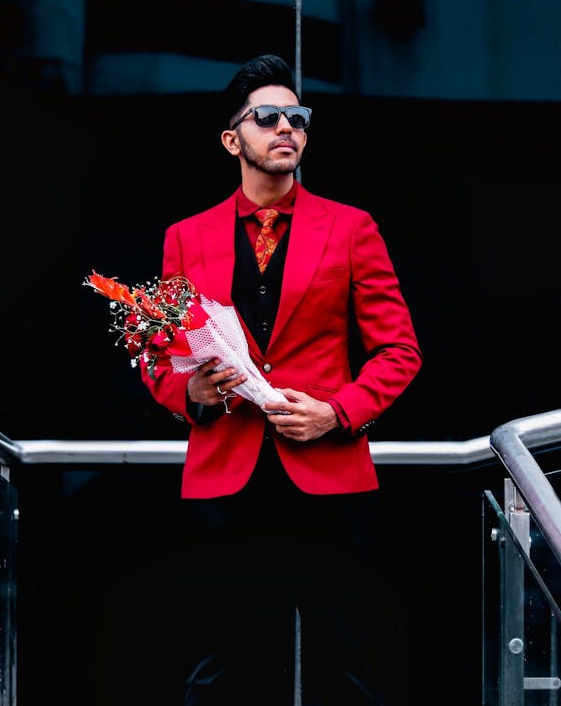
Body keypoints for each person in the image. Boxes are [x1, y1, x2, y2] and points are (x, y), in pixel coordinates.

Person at [140, 54, 422, 706]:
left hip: (327, 478)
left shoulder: (352, 229)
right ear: (232, 139)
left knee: (347, 667)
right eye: (267, 118)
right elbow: (158, 354)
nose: (286, 128)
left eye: (297, 117)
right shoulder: (186, 237)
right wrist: (189, 394)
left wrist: (339, 411)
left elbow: (399, 350)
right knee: (220, 671)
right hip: (227, 479)